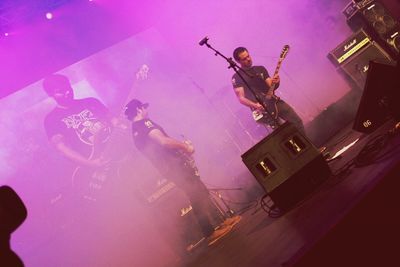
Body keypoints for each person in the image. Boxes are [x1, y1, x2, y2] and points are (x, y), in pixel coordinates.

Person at [124, 99, 241, 247]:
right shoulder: (144, 124)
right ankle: (209, 232)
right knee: (196, 194)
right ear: (139, 109)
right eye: (144, 108)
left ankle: (222, 221)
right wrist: (185, 147)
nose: (147, 111)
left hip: (171, 167)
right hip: (174, 167)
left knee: (200, 190)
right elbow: (164, 142)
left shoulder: (135, 131)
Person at [231, 47, 306, 134]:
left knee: (296, 121)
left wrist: (277, 81)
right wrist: (255, 105)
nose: (248, 59)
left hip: (274, 101)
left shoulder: (260, 69)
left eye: (248, 56)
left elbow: (271, 87)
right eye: (244, 59)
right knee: (284, 133)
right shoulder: (237, 77)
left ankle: (311, 147)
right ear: (238, 61)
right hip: (262, 109)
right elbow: (241, 98)